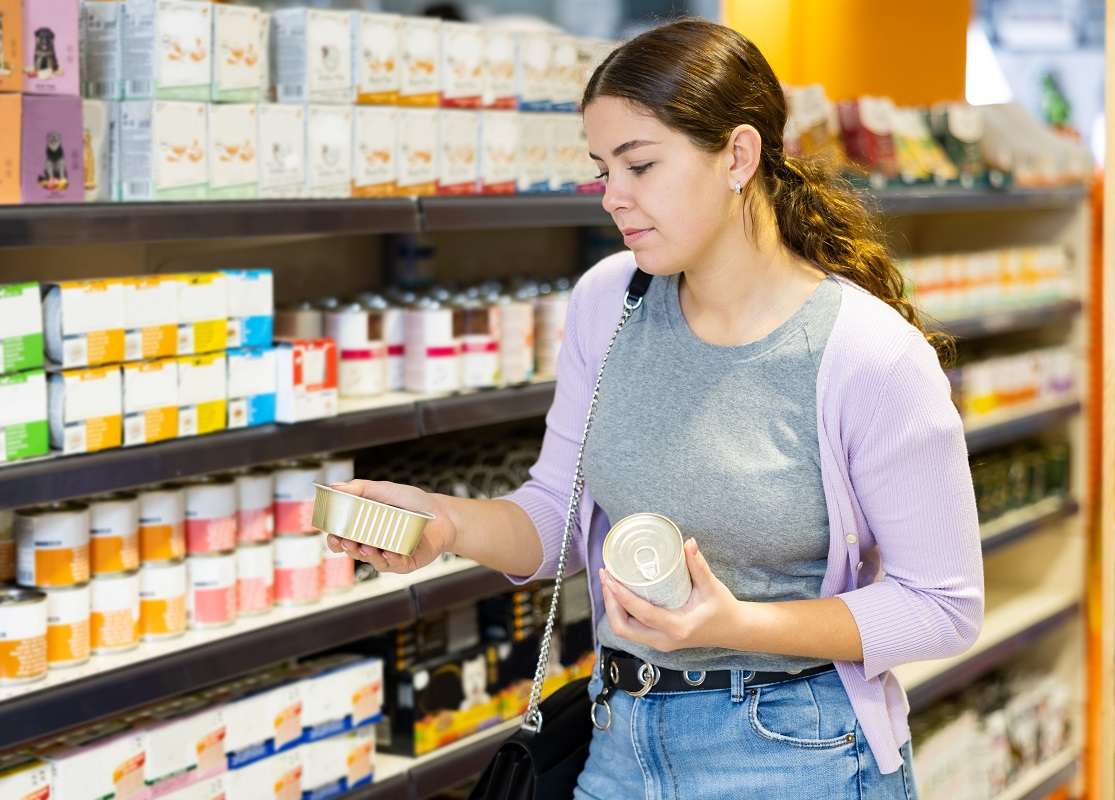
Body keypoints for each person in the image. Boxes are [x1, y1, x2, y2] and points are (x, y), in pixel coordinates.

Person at [327, 18, 984, 799]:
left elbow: (942, 608)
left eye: (639, 165)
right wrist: (443, 523)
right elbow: (556, 517)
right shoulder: (610, 303)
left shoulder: (865, 354)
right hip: (618, 741)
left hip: (793, 753)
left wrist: (735, 626)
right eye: (601, 170)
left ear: (738, 155)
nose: (613, 198)